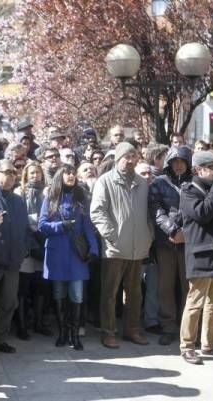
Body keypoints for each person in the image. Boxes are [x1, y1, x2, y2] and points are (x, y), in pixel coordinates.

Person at [91, 142, 152, 349]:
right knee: (110, 293)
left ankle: (132, 330)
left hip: (138, 248)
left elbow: (149, 214)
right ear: (117, 159)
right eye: (127, 156)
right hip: (114, 249)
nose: (131, 160)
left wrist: (148, 236)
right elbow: (97, 212)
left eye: (134, 156)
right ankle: (108, 332)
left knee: (135, 292)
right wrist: (112, 235)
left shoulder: (143, 184)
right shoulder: (105, 182)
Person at [178, 151, 213, 365]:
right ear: (198, 169)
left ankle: (210, 344)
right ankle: (187, 346)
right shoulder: (189, 191)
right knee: (195, 302)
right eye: (211, 167)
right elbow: (203, 213)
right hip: (201, 255)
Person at [39, 164, 99, 350]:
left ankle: (75, 335)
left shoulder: (81, 197)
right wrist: (60, 226)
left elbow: (88, 225)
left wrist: (94, 248)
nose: (71, 175)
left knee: (77, 295)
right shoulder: (51, 196)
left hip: (76, 255)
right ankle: (63, 333)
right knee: (59, 295)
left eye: (73, 172)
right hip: (57, 254)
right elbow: (42, 225)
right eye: (67, 172)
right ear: (60, 175)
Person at [147, 145, 192, 346]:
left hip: (189, 243)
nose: (179, 165)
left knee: (188, 287)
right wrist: (172, 230)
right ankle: (168, 326)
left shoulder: (194, 183)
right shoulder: (159, 183)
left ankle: (187, 327)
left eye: (182, 161)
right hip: (166, 242)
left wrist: (186, 233)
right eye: (175, 161)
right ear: (169, 163)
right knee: (165, 286)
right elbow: (156, 210)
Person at [0, 159, 29, 352]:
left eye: (14, 172)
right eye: (7, 172)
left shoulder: (19, 201)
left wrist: (23, 251)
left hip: (13, 263)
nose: (11, 175)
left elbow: (25, 230)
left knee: (9, 303)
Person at [15, 162, 53, 338]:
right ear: (25, 175)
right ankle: (21, 325)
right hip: (25, 245)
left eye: (37, 172)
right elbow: (18, 217)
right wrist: (32, 226)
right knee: (23, 288)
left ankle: (39, 322)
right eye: (31, 172)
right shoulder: (19, 192)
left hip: (43, 244)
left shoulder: (48, 193)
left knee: (41, 287)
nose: (35, 175)